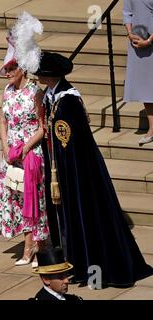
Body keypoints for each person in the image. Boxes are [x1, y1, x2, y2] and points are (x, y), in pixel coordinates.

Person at [36, 51, 153, 287]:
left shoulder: (67, 100)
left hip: (77, 171)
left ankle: (87, 266)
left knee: (82, 215)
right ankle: (70, 262)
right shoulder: (51, 95)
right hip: (58, 166)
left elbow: (70, 139)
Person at [0, 12, 49, 266]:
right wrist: (5, 147)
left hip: (30, 152)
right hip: (11, 154)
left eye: (11, 68)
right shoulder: (7, 91)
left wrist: (25, 147)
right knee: (17, 198)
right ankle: (33, 244)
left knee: (33, 199)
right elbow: (2, 121)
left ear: (22, 67)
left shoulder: (35, 92)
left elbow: (42, 127)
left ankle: (34, 247)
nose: (7, 73)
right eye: (6, 69)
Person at [123, 0, 153, 145]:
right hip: (138, 41)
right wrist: (130, 33)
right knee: (145, 85)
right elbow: (127, 12)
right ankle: (152, 128)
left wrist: (149, 40)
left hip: (149, 39)